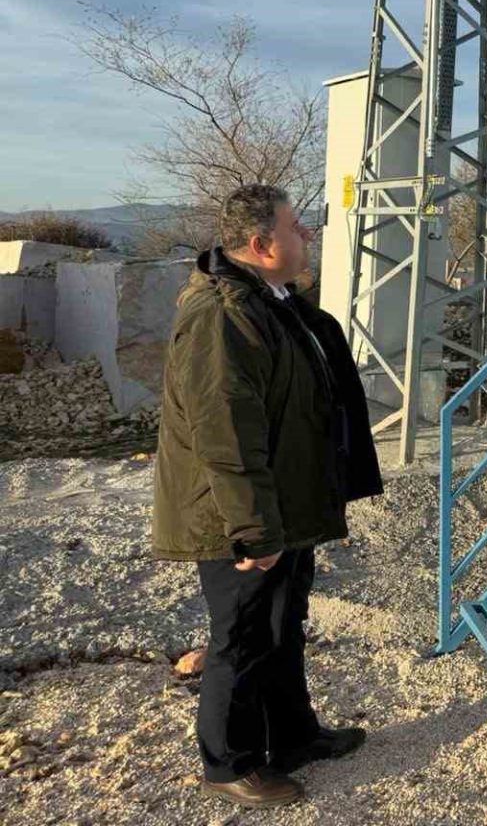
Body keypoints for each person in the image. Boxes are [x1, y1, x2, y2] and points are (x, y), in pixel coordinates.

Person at [151, 184, 384, 808]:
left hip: (282, 503)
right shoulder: (223, 316)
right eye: (294, 226)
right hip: (238, 514)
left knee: (283, 624)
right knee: (243, 634)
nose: (306, 234)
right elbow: (224, 433)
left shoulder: (273, 302)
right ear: (261, 244)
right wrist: (252, 530)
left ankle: (293, 736)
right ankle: (228, 763)